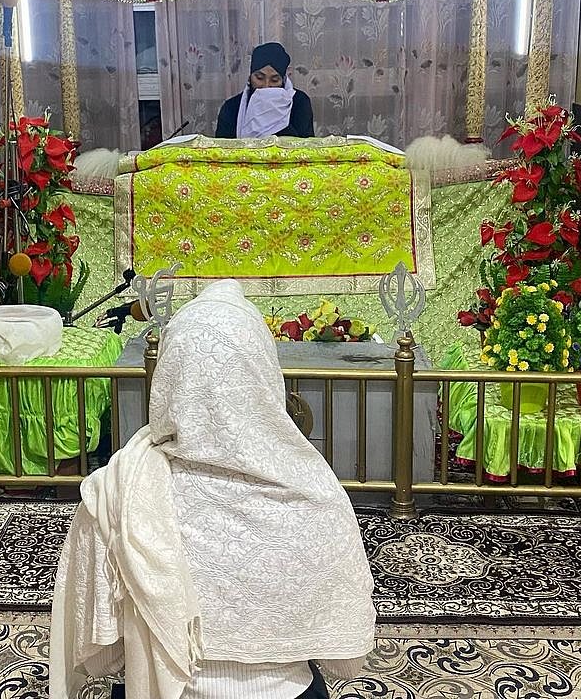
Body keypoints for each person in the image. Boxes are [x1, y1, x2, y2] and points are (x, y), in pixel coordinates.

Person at [51, 279, 375, 699]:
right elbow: (345, 658)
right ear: (262, 377)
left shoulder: (118, 489)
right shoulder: (316, 496)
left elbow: (105, 655)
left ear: (171, 375)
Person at [215, 42, 314, 138]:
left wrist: (275, 116)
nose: (266, 86)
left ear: (283, 80)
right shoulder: (231, 108)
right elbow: (221, 151)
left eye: (274, 80)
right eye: (259, 78)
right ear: (250, 77)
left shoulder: (299, 102)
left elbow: (306, 149)